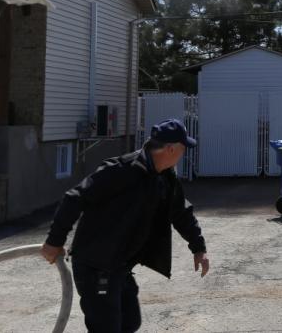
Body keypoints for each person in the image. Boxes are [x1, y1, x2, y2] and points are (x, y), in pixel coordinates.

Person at [40, 119, 210, 333]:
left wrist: (199, 247)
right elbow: (74, 198)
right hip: (96, 266)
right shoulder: (122, 170)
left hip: (119, 265)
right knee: (107, 328)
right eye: (183, 148)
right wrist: (54, 242)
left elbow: (180, 212)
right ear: (170, 149)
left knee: (130, 322)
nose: (184, 153)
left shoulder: (165, 177)